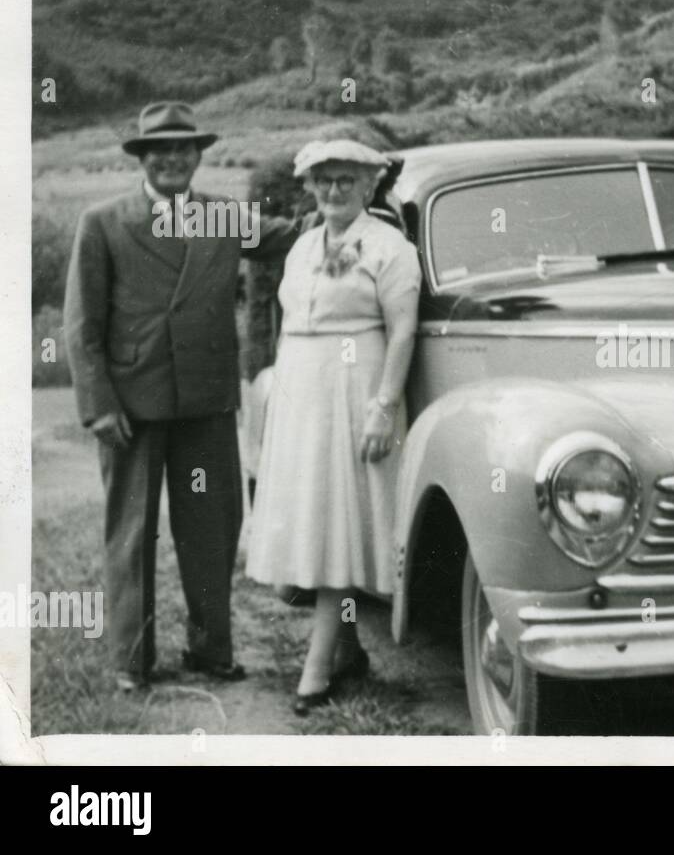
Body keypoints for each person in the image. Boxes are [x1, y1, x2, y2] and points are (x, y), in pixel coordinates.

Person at [63, 101, 305, 692]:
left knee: (212, 529)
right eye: (159, 151)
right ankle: (132, 660)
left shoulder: (225, 218)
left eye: (183, 149)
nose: (172, 159)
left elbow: (298, 236)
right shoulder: (103, 221)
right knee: (131, 533)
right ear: (143, 158)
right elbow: (81, 326)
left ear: (199, 156)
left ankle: (211, 650)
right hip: (131, 409)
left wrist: (359, 192)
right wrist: (98, 405)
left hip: (206, 404)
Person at [244, 139, 422, 715]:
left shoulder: (390, 247)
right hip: (304, 393)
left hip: (354, 390)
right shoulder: (300, 248)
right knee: (312, 521)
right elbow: (288, 318)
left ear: (370, 186)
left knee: (338, 524)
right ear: (311, 187)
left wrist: (383, 406)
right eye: (324, 180)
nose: (335, 190)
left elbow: (401, 332)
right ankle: (348, 651)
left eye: (347, 180)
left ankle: (316, 673)